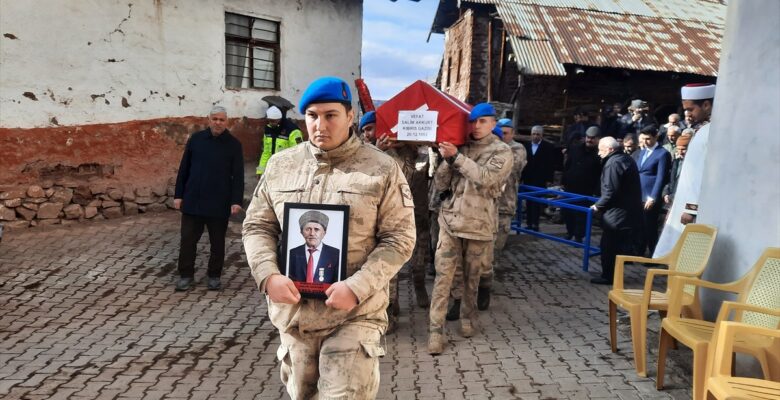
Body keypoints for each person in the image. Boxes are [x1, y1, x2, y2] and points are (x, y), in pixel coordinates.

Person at [242, 76, 415, 399]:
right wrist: (267, 275)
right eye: (312, 116)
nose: (320, 125)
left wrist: (357, 286)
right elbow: (258, 227)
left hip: (354, 315)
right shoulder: (281, 166)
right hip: (294, 316)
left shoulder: (381, 169)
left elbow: (399, 238)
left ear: (350, 117)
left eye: (331, 115)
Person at [428, 103, 512, 354]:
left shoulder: (502, 151)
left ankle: (467, 318)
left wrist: (456, 158)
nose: (477, 126)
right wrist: (446, 161)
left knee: (471, 278)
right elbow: (441, 182)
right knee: (443, 278)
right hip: (450, 223)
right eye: (473, 121)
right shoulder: (460, 146)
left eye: (483, 121)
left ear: (493, 124)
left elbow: (487, 179)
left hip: (479, 225)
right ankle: (435, 330)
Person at [174, 105, 244, 291]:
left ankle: (214, 275)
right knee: (188, 240)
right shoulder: (196, 140)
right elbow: (184, 169)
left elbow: (238, 175)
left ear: (226, 122)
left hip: (218, 202)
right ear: (208, 119)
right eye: (215, 119)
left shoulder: (234, 145)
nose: (218, 122)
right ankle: (186, 275)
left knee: (217, 242)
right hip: (192, 201)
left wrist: (236, 201)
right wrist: (178, 195)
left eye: (221, 119)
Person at [654, 83, 715, 258]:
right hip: (684, 203)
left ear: (706, 105)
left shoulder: (712, 132)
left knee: (687, 256)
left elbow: (702, 173)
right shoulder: (700, 130)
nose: (687, 114)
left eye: (690, 109)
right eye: (685, 110)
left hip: (693, 210)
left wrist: (691, 209)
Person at [381, 135, 431, 333]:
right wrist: (387, 149)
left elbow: (418, 172)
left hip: (418, 216)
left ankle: (419, 285)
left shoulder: (423, 154)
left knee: (418, 262)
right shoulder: (382, 153)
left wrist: (425, 146)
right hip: (393, 219)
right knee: (392, 269)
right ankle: (392, 309)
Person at [590, 137, 642, 284]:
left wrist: (598, 205)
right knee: (617, 246)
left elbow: (610, 190)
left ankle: (608, 276)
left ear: (610, 149)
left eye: (601, 150)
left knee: (609, 246)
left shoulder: (613, 163)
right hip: (626, 212)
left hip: (617, 214)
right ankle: (614, 275)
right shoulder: (625, 158)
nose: (599, 153)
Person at [486, 118, 527, 308]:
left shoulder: (517, 149)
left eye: (506, 133)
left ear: (513, 134)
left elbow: (511, 167)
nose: (502, 136)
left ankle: (486, 284)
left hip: (504, 206)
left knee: (496, 247)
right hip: (487, 205)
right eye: (499, 132)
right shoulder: (491, 147)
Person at [634, 125, 671, 256]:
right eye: (643, 139)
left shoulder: (662, 154)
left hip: (650, 195)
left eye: (648, 139)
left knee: (650, 225)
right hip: (639, 193)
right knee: (639, 224)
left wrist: (653, 197)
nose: (645, 142)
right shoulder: (643, 151)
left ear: (656, 137)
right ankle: (639, 250)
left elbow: (661, 178)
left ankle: (653, 253)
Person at [561, 126, 602, 242]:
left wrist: (597, 191)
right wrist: (564, 181)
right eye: (588, 137)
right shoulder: (575, 148)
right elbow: (567, 165)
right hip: (571, 186)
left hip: (587, 189)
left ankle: (578, 236)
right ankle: (570, 232)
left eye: (593, 138)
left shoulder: (600, 154)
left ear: (598, 139)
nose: (589, 140)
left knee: (581, 214)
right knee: (567, 211)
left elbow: (601, 174)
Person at [287, 211, 340, 284]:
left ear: (324, 232)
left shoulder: (336, 254)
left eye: (316, 229)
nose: (312, 233)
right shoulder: (292, 253)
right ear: (301, 232)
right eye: (308, 229)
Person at [521, 125, 556, 231]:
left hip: (540, 179)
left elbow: (551, 164)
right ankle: (529, 223)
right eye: (534, 134)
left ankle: (535, 224)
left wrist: (549, 179)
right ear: (531, 135)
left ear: (542, 135)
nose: (535, 136)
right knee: (528, 201)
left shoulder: (548, 147)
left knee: (537, 202)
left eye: (538, 134)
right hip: (528, 178)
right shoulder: (525, 146)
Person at [256, 105, 304, 176]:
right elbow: (266, 152)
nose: (271, 123)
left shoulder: (293, 131)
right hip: (273, 168)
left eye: (273, 121)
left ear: (279, 119)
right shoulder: (268, 130)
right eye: (269, 121)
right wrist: (260, 171)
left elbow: (298, 153)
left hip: (287, 170)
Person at [662, 132, 693, 208]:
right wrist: (665, 193)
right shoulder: (676, 161)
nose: (680, 152)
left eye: (683, 149)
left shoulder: (693, 164)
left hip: (683, 202)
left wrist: (672, 197)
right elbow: (670, 180)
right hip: (670, 201)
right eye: (678, 149)